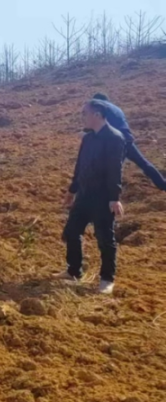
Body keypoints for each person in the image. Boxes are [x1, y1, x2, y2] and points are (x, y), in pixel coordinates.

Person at [59, 100, 126, 295]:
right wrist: (72, 191)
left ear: (97, 115)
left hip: (103, 197)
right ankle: (73, 271)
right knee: (71, 231)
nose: (83, 117)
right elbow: (80, 167)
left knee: (105, 238)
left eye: (85, 113)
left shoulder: (115, 138)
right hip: (84, 194)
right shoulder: (88, 139)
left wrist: (114, 197)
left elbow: (115, 170)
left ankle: (107, 279)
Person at [91, 92, 166, 190]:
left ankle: (107, 195)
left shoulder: (100, 106)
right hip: (128, 139)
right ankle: (163, 184)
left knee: (112, 169)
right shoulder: (117, 109)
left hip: (116, 141)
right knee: (144, 163)